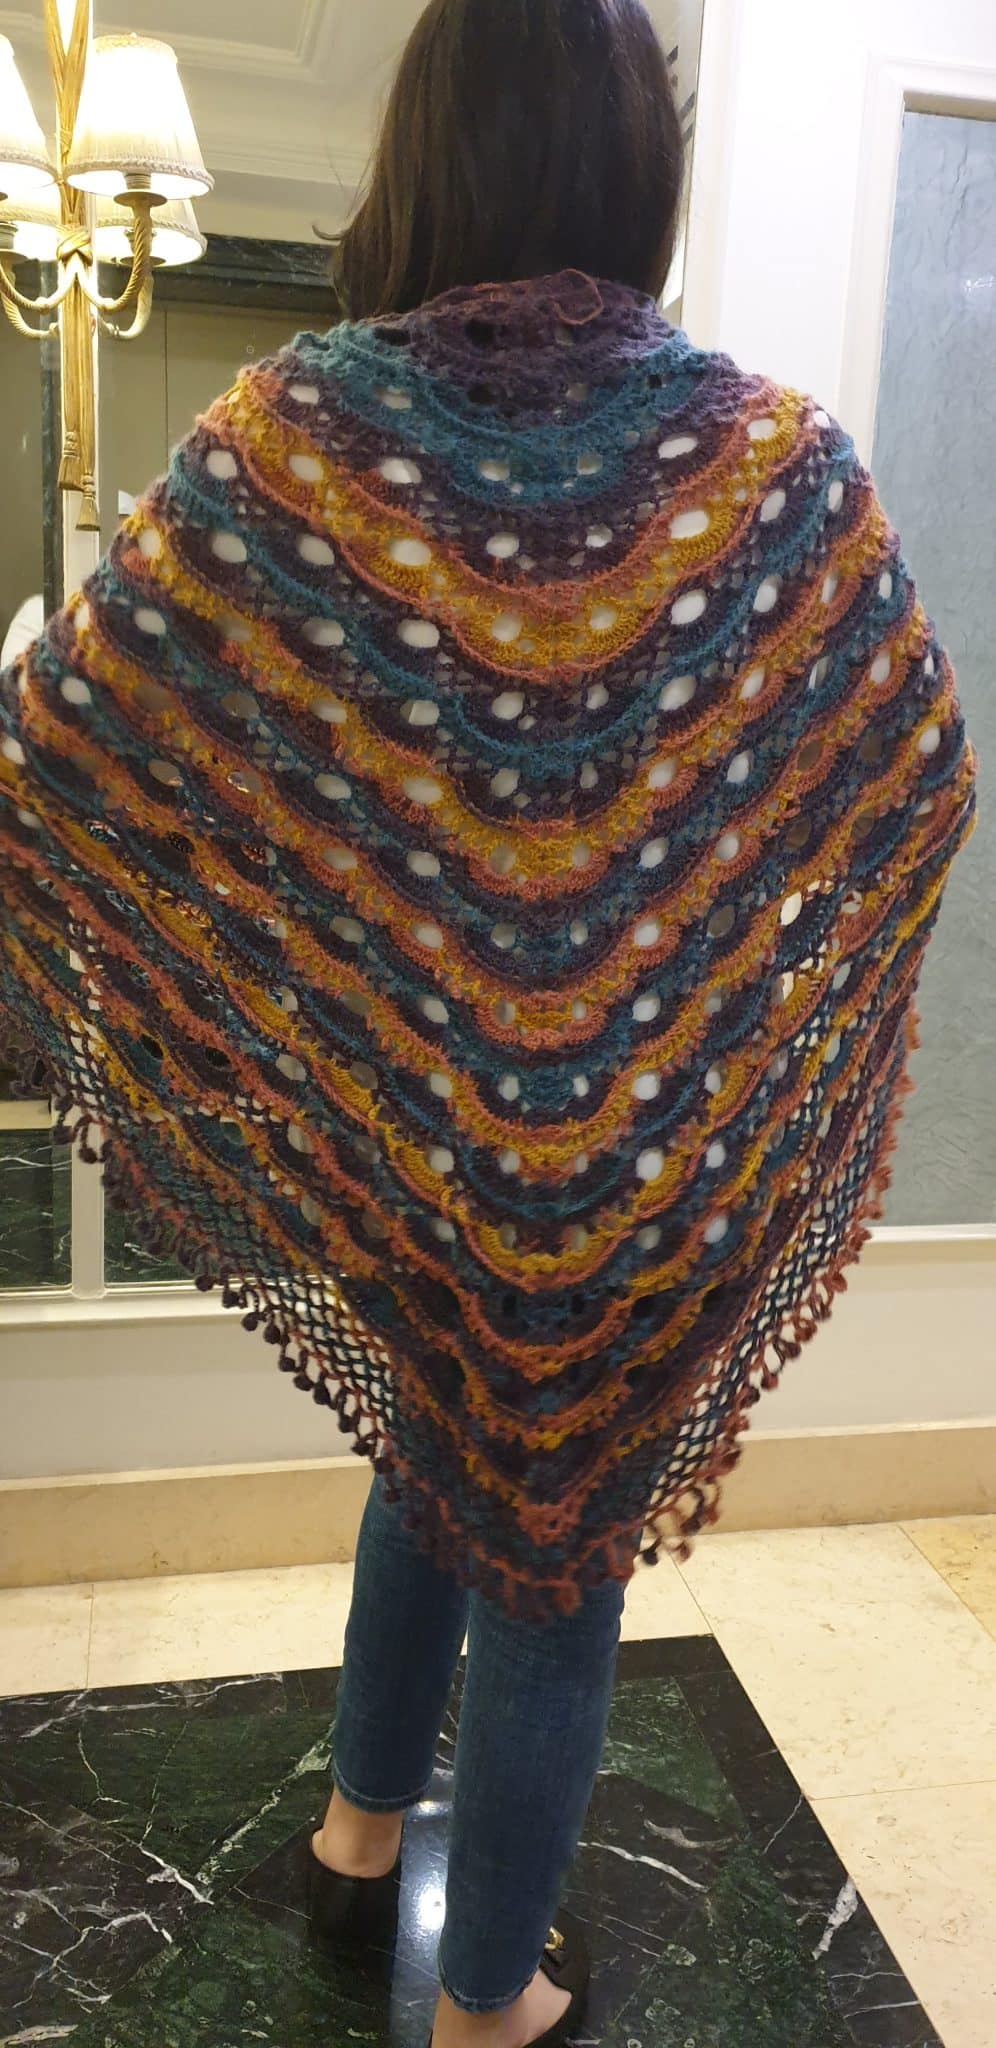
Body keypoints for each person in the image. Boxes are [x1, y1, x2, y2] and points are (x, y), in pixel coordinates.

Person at [0, 2, 977, 2044]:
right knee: (555, 1555)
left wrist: (303, 969)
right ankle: (490, 1999)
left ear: (421, 152)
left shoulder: (293, 436)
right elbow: (917, 774)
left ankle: (361, 1835)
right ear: (641, 161)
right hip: (644, 1169)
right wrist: (723, 971)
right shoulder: (771, 463)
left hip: (416, 1144)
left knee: (442, 1456)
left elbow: (63, 742)